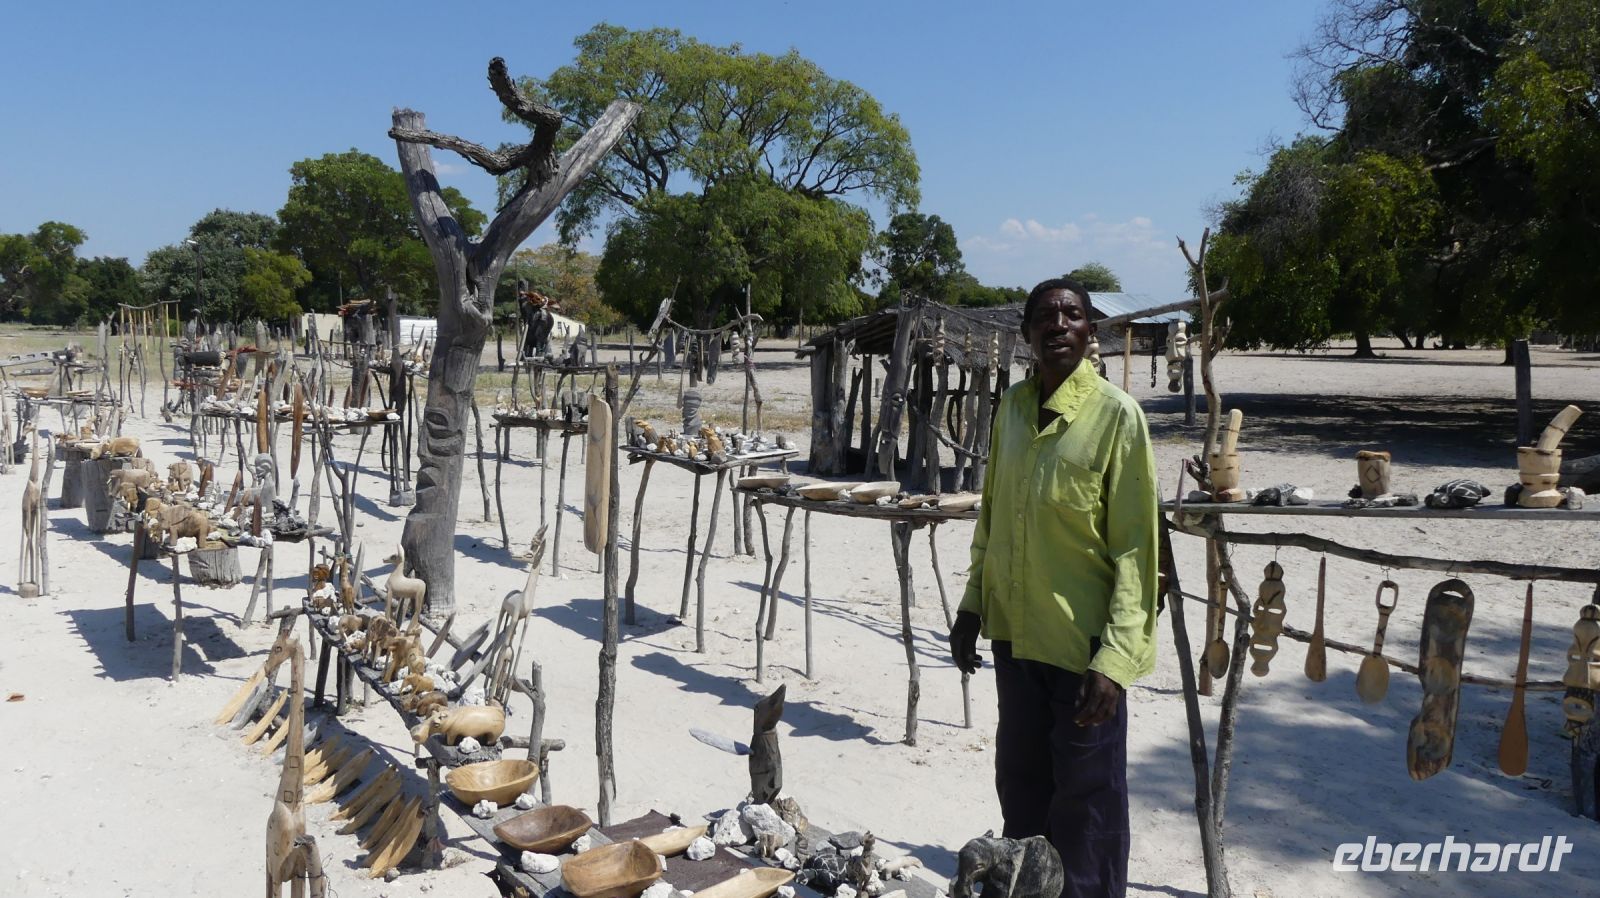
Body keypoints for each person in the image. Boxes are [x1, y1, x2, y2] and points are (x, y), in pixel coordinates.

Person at [949, 277, 1159, 898]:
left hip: (1082, 654)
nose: (1058, 323)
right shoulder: (1010, 412)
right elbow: (992, 521)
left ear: (1091, 333)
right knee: (1022, 793)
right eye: (1045, 315)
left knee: (1086, 811)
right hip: (1015, 643)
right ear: (1026, 335)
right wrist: (971, 607)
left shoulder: (1117, 417)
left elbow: (1135, 550)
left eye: (1072, 315)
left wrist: (1116, 661)